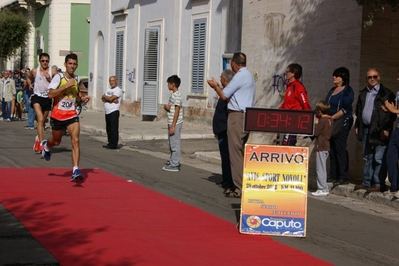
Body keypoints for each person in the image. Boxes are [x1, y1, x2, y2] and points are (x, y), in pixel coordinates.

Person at [207, 52, 256, 198]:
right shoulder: (249, 76)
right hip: (247, 115)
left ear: (234, 63)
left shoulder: (239, 76)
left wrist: (216, 86)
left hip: (237, 116)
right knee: (239, 153)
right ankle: (240, 184)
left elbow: (224, 95)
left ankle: (239, 187)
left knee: (234, 153)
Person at [41, 53, 90, 182]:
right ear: (65, 64)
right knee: (56, 141)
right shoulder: (59, 77)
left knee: (75, 141)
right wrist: (65, 86)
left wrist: (82, 98)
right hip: (58, 115)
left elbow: (77, 94)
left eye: (74, 64)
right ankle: (46, 145)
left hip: (72, 114)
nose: (72, 66)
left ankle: (75, 170)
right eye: (70, 64)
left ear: (77, 65)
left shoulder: (77, 79)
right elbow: (50, 94)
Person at [354, 68, 396, 193]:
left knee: (379, 157)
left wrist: (386, 129)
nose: (372, 79)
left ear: (379, 77)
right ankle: (367, 182)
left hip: (380, 130)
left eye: (375, 76)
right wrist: (357, 126)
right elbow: (359, 111)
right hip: (366, 129)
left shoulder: (386, 94)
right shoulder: (363, 93)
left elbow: (391, 115)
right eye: (369, 77)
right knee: (367, 157)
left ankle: (378, 183)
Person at [325, 67, 355, 186]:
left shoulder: (347, 90)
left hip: (342, 121)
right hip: (331, 121)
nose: (334, 78)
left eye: (337, 76)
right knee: (331, 149)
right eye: (334, 76)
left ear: (343, 78)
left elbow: (346, 108)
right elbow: (327, 104)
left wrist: (333, 117)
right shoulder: (332, 90)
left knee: (339, 148)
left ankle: (343, 175)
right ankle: (333, 174)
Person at [212, 69, 235, 193]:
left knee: (227, 157)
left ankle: (229, 181)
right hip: (221, 130)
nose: (220, 79)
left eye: (221, 77)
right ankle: (225, 178)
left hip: (225, 130)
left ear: (225, 79)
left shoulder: (229, 93)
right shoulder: (225, 91)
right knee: (224, 156)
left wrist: (216, 87)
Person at [279, 63, 312, 146]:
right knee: (286, 144)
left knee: (287, 144)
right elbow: (287, 103)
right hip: (287, 120)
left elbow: (305, 103)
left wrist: (308, 120)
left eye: (287, 72)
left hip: (293, 121)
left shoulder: (298, 87)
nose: (285, 74)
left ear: (293, 73)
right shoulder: (290, 87)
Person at [27, 53, 53, 153]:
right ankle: (42, 144)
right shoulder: (35, 71)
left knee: (43, 121)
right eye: (43, 61)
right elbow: (28, 77)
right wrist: (30, 84)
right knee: (40, 119)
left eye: (46, 61)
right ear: (39, 61)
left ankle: (38, 138)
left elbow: (58, 81)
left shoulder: (52, 71)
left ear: (49, 61)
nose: (45, 63)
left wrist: (49, 79)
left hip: (47, 98)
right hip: (37, 97)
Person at [382, 70, 399, 198]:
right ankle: (394, 185)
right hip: (397, 129)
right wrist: (390, 109)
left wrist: (394, 109)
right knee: (390, 156)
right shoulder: (398, 92)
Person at [311, 101, 333, 197]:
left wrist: (316, 123)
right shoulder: (330, 119)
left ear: (319, 111)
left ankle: (322, 188)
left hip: (320, 146)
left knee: (320, 169)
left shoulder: (322, 120)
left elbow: (316, 133)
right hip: (326, 146)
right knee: (323, 168)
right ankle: (324, 187)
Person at [162, 75, 183, 172]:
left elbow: (177, 111)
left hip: (175, 123)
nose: (167, 85)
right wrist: (167, 107)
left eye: (168, 84)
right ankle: (172, 160)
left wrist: (173, 126)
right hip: (170, 122)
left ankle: (175, 164)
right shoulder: (173, 95)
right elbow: (172, 108)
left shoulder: (177, 96)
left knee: (175, 143)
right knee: (171, 143)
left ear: (173, 84)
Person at [101, 76, 123, 149]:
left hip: (114, 111)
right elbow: (102, 98)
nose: (112, 82)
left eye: (113, 80)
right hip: (107, 111)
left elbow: (109, 98)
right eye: (110, 81)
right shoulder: (108, 89)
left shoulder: (118, 90)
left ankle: (114, 144)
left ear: (116, 81)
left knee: (114, 129)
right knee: (108, 128)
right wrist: (110, 99)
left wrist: (108, 98)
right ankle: (110, 142)